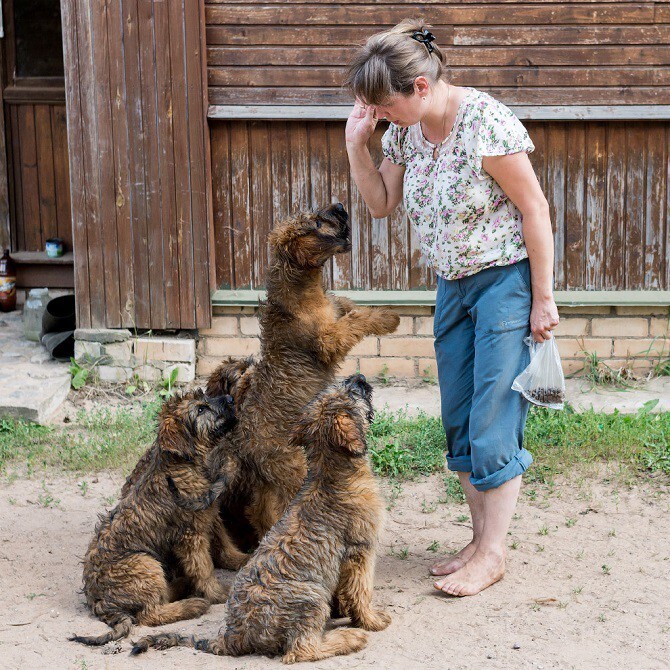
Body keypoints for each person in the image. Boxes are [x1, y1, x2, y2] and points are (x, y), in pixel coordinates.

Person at [344, 19, 559, 597]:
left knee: (494, 415)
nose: (379, 115)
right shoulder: (405, 135)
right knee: (460, 416)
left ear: (419, 86)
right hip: (453, 287)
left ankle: (493, 553)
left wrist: (543, 297)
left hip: (504, 284)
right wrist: (355, 145)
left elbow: (535, 209)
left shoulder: (484, 122)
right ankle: (477, 539)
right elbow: (382, 202)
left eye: (383, 104)